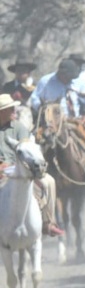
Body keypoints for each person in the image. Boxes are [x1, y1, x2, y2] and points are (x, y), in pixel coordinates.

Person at [0, 93, 62, 237]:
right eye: (11, 109)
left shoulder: (19, 127)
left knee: (49, 182)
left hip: (21, 168)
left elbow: (27, 148)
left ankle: (48, 222)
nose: (14, 111)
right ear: (2, 112)